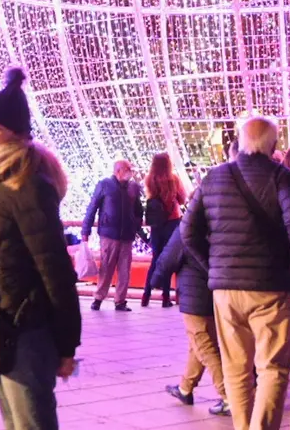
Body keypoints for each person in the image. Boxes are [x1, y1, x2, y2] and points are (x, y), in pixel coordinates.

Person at [182, 116, 290, 430]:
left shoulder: (214, 177)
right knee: (272, 367)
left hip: (226, 290)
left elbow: (188, 232)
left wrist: (214, 267)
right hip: (269, 286)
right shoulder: (280, 176)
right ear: (273, 143)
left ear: (241, 142)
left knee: (236, 368)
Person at [0, 68, 81, 430]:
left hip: (26, 330)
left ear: (18, 134)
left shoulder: (28, 186)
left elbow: (55, 268)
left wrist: (67, 344)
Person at [151, 221, 229, 417]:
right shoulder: (220, 225)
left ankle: (228, 396)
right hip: (216, 291)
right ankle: (185, 388)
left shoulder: (188, 227)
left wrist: (155, 279)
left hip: (193, 294)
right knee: (200, 341)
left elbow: (169, 258)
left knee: (204, 345)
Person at [81, 159, 143, 312]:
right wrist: (85, 231)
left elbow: (138, 210)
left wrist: (135, 226)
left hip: (127, 236)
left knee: (124, 271)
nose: (130, 171)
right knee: (106, 268)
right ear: (118, 171)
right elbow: (92, 207)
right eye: (127, 169)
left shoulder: (133, 187)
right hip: (109, 235)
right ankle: (98, 298)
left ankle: (120, 301)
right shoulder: (105, 184)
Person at [142, 153, 187, 308]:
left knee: (156, 258)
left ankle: (146, 295)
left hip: (156, 224)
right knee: (168, 258)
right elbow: (182, 199)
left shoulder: (149, 179)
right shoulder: (174, 180)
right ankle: (166, 297)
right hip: (172, 222)